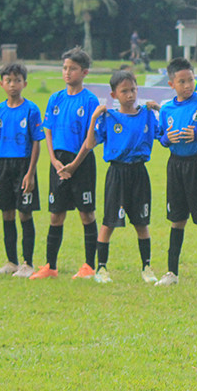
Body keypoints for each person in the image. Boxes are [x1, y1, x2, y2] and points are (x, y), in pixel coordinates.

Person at [61, 70, 160, 284]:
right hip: (117, 172)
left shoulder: (146, 115)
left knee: (141, 223)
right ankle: (102, 268)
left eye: (133, 89)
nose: (130, 95)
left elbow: (165, 135)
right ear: (114, 95)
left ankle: (147, 267)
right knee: (109, 222)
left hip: (139, 172)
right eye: (124, 91)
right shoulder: (108, 117)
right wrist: (94, 118)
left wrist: (160, 109)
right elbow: (89, 144)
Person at [155, 57, 197, 287]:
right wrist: (167, 138)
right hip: (175, 166)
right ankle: (171, 273)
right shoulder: (166, 109)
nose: (187, 85)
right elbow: (160, 136)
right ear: (171, 84)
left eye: (191, 80)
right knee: (177, 220)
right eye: (182, 81)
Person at [32, 47, 100, 280]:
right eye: (64, 68)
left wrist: (74, 164)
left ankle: (89, 266)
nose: (67, 72)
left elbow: (91, 139)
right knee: (55, 215)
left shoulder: (90, 100)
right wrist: (53, 160)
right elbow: (48, 129)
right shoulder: (55, 98)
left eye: (72, 68)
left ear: (84, 72)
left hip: (80, 161)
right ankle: (50, 267)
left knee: (86, 214)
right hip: (58, 162)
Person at [0, 63, 44, 278]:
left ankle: (27, 263)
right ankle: (11, 261)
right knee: (7, 213)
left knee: (25, 213)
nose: (13, 85)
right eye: (9, 81)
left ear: (25, 83)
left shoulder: (31, 109)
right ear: (2, 83)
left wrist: (30, 173)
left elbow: (36, 142)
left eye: (17, 80)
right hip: (2, 165)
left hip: (22, 165)